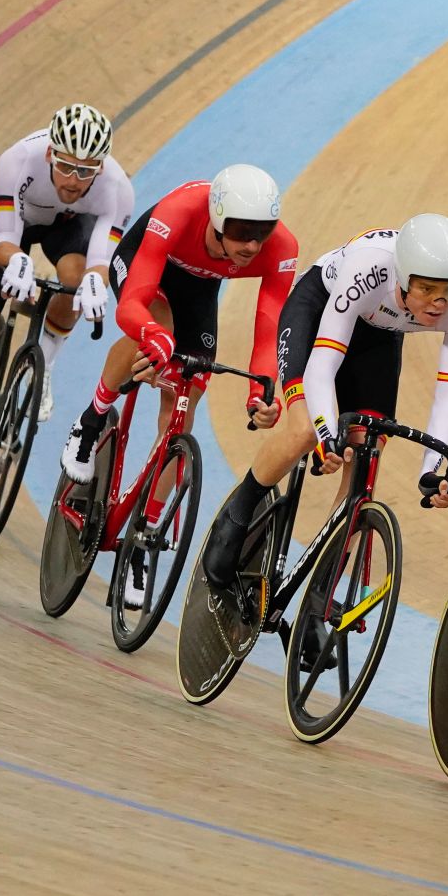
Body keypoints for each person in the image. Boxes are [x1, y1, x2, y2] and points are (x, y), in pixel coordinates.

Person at [198, 214, 448, 639]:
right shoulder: (369, 268)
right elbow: (323, 365)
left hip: (378, 342)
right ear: (403, 278)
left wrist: (431, 469)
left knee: (365, 464)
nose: (439, 304)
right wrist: (326, 433)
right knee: (304, 430)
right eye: (426, 289)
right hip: (319, 311)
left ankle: (318, 599)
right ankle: (238, 514)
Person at [57, 163, 298, 605]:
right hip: (146, 264)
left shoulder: (279, 248)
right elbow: (132, 304)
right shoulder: (181, 211)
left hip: (198, 289)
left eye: (261, 232)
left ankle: (144, 537)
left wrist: (262, 392)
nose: (251, 244)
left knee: (185, 401)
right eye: (242, 230)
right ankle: (91, 422)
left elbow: (269, 328)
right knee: (154, 330)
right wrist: (153, 336)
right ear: (217, 218)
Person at [0, 103, 133, 467]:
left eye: (86, 171)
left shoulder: (117, 189)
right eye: (65, 165)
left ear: (101, 166)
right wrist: (18, 260)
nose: (73, 180)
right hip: (17, 222)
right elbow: (5, 239)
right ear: (50, 153)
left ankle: (44, 364)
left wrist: (95, 283)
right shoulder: (18, 160)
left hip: (67, 229)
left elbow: (99, 261)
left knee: (75, 281)